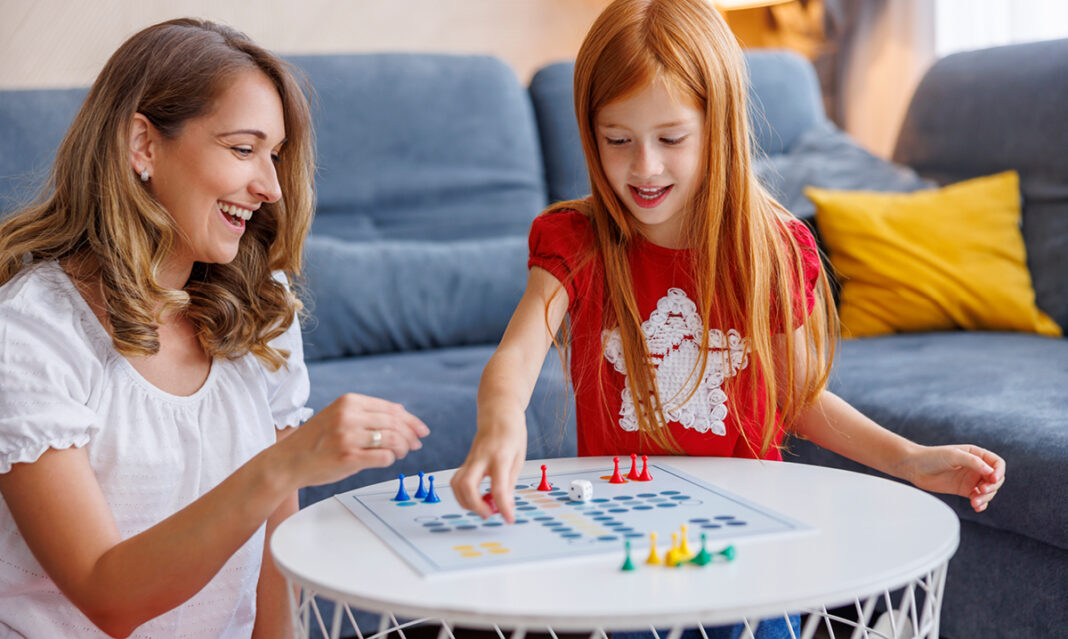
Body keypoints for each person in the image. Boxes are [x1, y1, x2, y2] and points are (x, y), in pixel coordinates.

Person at [450, 1, 1005, 637]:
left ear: (719, 128)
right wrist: (498, 426)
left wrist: (909, 459)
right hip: (621, 561)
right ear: (588, 131)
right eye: (618, 140)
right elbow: (517, 356)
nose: (645, 167)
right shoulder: (574, 240)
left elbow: (798, 398)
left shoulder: (770, 247)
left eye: (671, 138)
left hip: (751, 560)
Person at [0, 19, 429, 639]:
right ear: (142, 145)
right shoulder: (32, 334)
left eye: (275, 155)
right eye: (242, 148)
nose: (271, 187)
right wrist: (282, 466)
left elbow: (274, 573)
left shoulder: (259, 307)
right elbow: (108, 595)